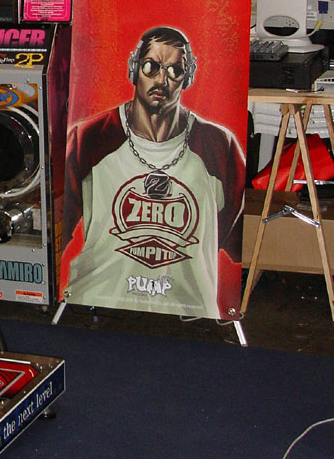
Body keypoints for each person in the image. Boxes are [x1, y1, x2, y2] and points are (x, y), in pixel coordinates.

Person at [59, 25, 245, 318]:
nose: (162, 80)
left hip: (191, 306)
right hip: (97, 294)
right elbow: (61, 226)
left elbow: (230, 238)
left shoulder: (219, 145)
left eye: (175, 71)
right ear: (134, 69)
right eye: (151, 67)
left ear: (188, 77)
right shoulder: (89, 139)